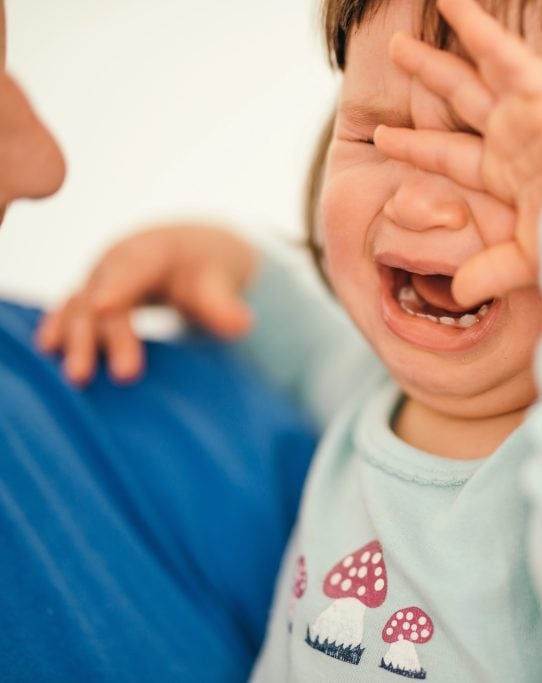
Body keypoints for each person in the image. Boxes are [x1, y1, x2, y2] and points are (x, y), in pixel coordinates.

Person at [44, 0, 542, 679]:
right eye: (378, 133)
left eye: (502, 155)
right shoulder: (384, 389)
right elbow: (312, 349)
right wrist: (227, 264)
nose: (422, 203)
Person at [0, 2, 316, 679]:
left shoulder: (110, 379)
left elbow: (397, 424)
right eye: (375, 132)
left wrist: (260, 287)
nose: (45, 164)